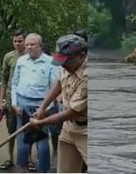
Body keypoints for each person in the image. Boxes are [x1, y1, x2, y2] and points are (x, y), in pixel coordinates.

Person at [30, 34, 88, 173]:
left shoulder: (88, 77)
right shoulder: (66, 65)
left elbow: (72, 112)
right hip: (69, 128)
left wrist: (41, 123)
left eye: (66, 61)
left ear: (81, 56)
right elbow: (58, 83)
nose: (63, 65)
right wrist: (42, 108)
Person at [11, 33, 57, 172]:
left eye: (32, 44)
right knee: (22, 142)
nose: (29, 47)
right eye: (27, 45)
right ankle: (21, 169)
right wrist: (14, 103)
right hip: (22, 104)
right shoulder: (21, 61)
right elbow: (14, 83)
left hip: (42, 106)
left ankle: (43, 170)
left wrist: (46, 109)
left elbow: (55, 88)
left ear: (40, 46)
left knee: (42, 142)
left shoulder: (51, 62)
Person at [0, 28, 26, 170]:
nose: (17, 44)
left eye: (20, 41)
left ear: (25, 41)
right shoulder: (8, 56)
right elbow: (3, 79)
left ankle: (28, 159)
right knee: (11, 130)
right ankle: (10, 158)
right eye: (15, 41)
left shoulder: (31, 56)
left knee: (28, 129)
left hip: (26, 97)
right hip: (10, 97)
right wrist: (1, 100)